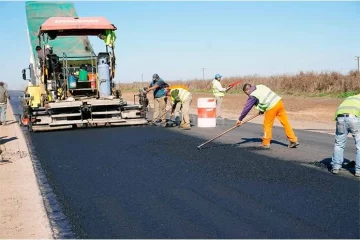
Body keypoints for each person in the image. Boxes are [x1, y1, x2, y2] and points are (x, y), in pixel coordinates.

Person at [236, 83, 299, 149]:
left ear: (247, 90)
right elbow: (265, 97)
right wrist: (262, 109)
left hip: (271, 107)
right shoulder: (260, 86)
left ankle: (266, 143)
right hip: (279, 103)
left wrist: (240, 119)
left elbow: (247, 107)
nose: (247, 95)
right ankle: (293, 140)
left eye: (246, 93)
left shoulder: (253, 95)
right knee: (285, 123)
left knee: (267, 125)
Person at [330, 94, 360, 177]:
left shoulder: (350, 97)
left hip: (340, 118)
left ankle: (336, 166)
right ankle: (358, 170)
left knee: (339, 144)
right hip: (354, 119)